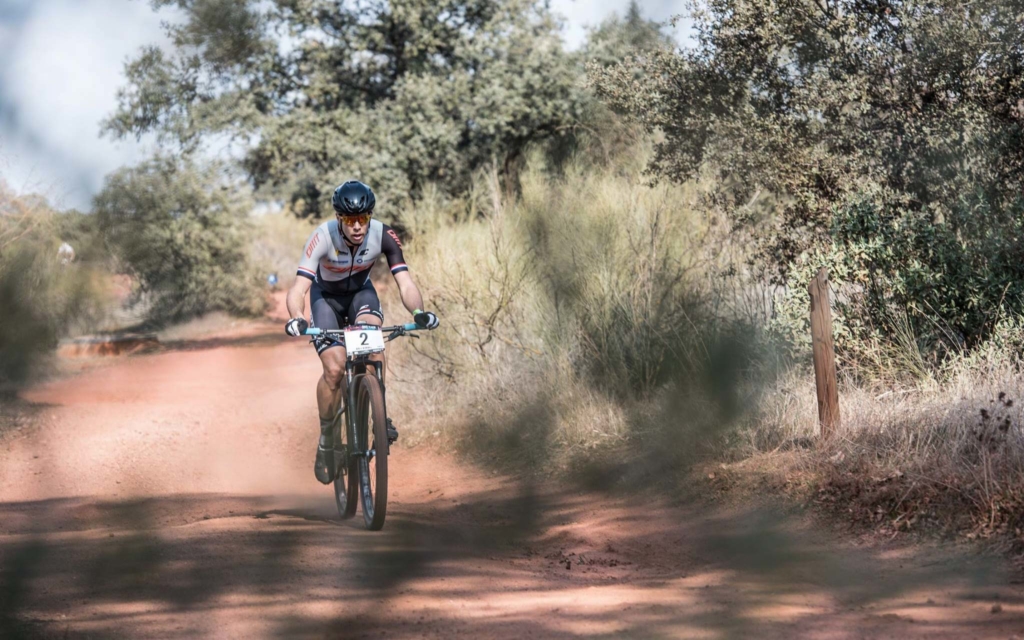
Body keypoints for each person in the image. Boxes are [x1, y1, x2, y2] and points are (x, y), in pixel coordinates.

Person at [283, 180, 439, 484]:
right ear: (340, 219)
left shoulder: (384, 235)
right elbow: (299, 288)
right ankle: (328, 436)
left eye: (363, 219)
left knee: (374, 348)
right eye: (350, 220)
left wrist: (419, 313)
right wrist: (296, 317)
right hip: (325, 298)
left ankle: (378, 413)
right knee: (334, 368)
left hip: (360, 295)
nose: (357, 226)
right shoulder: (322, 237)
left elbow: (405, 283)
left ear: (370, 216)